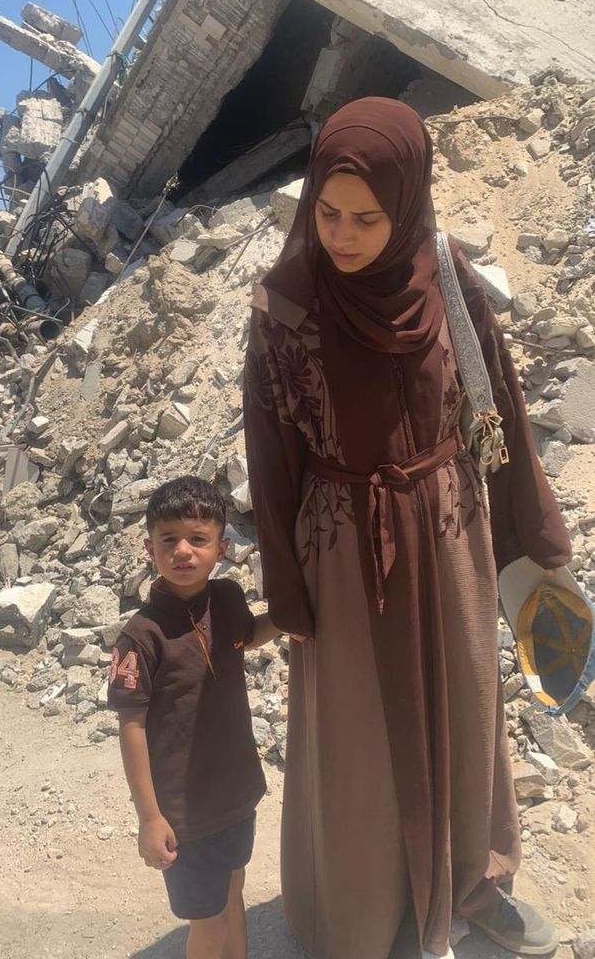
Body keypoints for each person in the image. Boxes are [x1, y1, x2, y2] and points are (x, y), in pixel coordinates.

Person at [243, 98, 572, 959]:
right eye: (327, 213)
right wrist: (287, 590)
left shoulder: (445, 275)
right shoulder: (286, 310)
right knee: (356, 739)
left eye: (367, 218)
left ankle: (475, 883)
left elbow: (498, 399)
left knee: (466, 710)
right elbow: (270, 458)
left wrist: (535, 532)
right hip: (342, 548)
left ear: (409, 203)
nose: (343, 236)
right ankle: (361, 915)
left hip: (450, 525)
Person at [108, 476, 280, 959]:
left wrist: (290, 619)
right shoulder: (141, 636)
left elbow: (247, 636)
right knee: (208, 923)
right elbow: (131, 726)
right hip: (187, 814)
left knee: (234, 895)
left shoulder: (226, 598)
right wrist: (149, 817)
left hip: (236, 795)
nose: (183, 551)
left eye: (198, 539)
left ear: (222, 548)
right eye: (169, 540)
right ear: (150, 549)